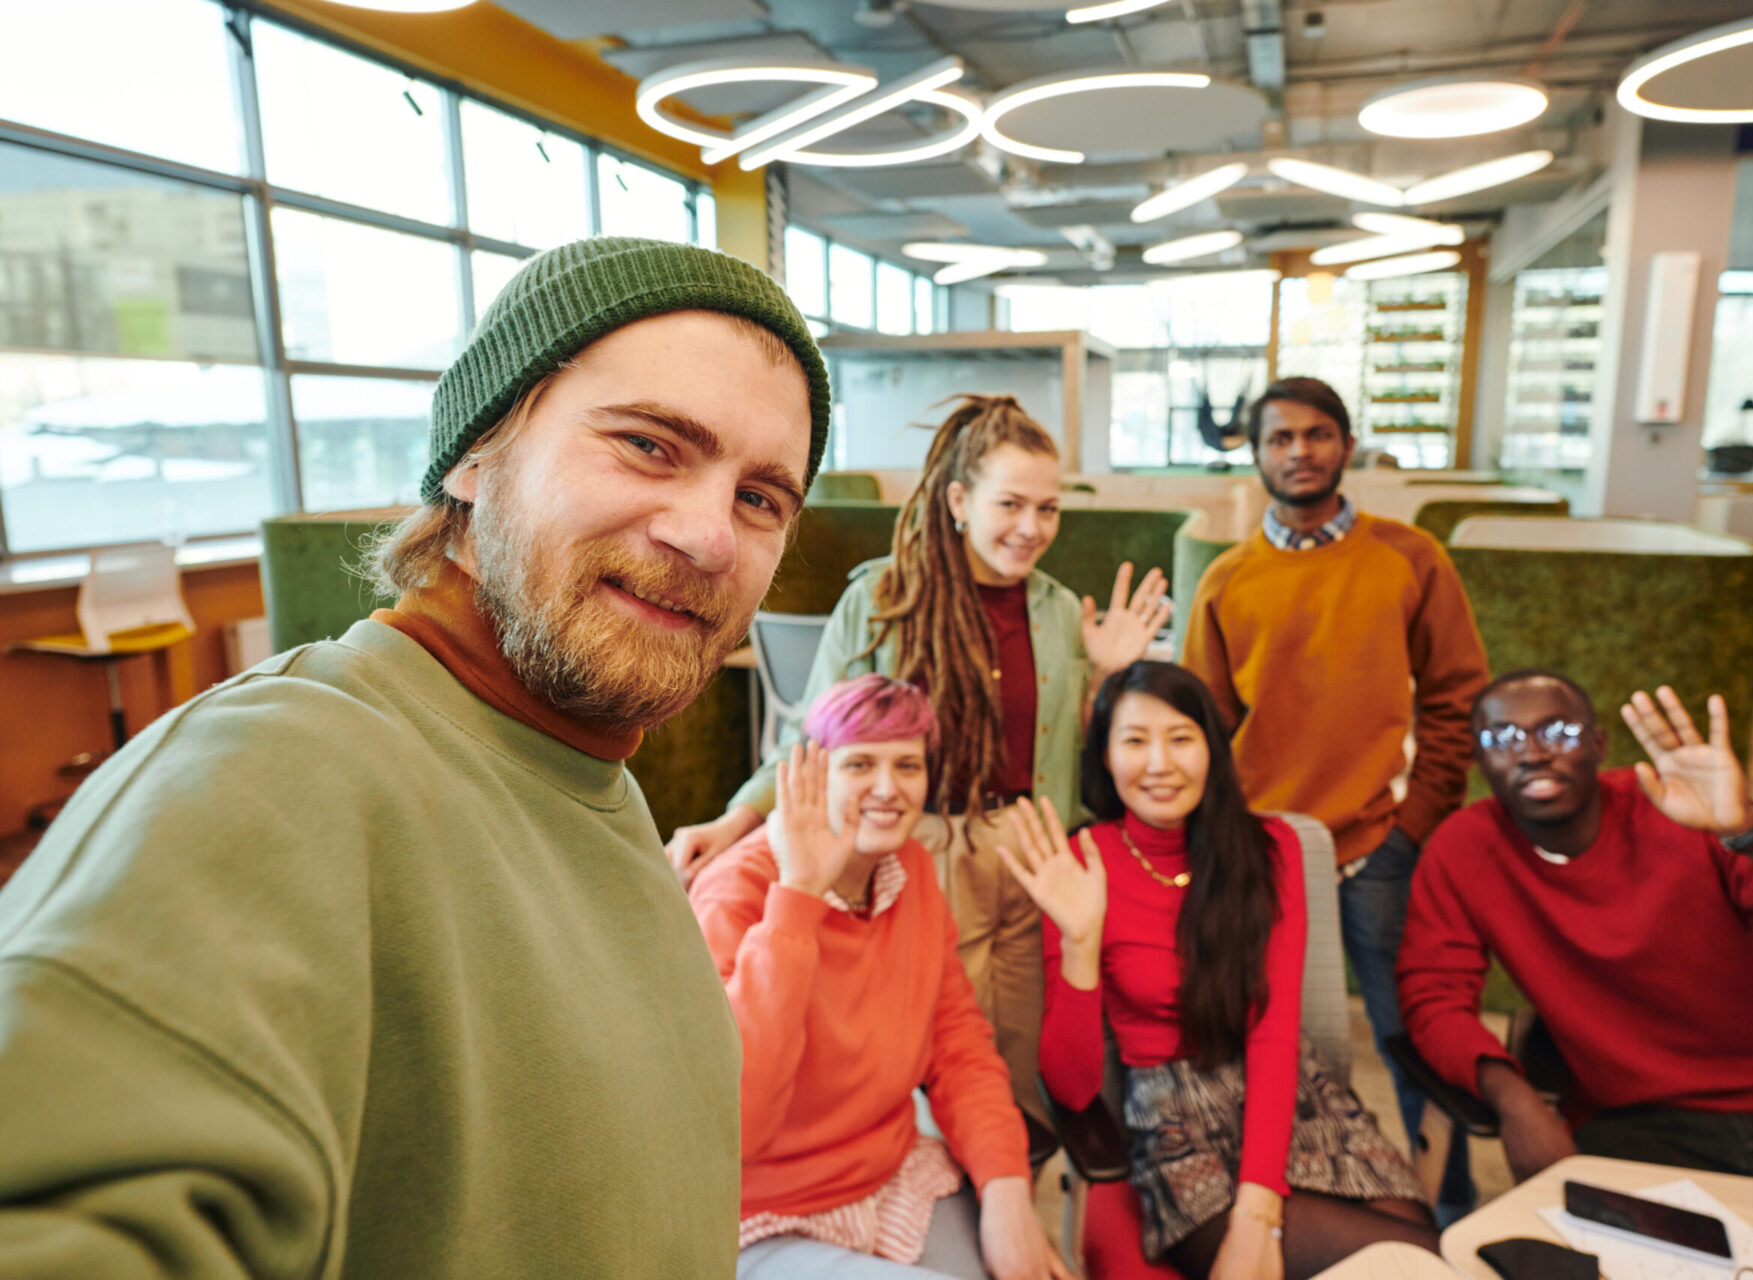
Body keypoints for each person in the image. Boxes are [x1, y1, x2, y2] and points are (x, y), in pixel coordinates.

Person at [0, 237, 833, 1276]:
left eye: (762, 497)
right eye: (649, 445)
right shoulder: (275, 774)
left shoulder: (577, 777)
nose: (710, 534)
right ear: (474, 461)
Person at [670, 395, 1172, 1133]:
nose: (1031, 528)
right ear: (960, 499)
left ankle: (1014, 1210)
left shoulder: (1061, 611)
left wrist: (1105, 679)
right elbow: (813, 739)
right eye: (1010, 504)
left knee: (1027, 1073)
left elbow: (1076, 755)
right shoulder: (884, 597)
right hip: (925, 849)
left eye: (1048, 508)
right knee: (934, 1064)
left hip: (1034, 848)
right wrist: (739, 815)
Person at [1398, 671, 1753, 1197]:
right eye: (1502, 739)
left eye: (1558, 732)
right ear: (1479, 759)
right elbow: (1433, 997)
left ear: (1598, 745)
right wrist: (1514, 1098)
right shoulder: (1464, 848)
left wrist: (1749, 830)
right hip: (1634, 1119)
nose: (1532, 753)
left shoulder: (1677, 810)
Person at [1006, 661, 1438, 1280]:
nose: (1159, 763)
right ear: (1104, 755)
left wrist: (1257, 1210)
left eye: (1181, 738)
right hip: (1176, 1120)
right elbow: (1072, 1089)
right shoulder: (1081, 862)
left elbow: (1274, 1029)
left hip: (1292, 1097)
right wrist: (1079, 942)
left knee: (1418, 1257)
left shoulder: (1269, 850)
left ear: (1211, 747)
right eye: (1135, 741)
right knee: (1410, 1264)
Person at [1180, 376, 1485, 1218]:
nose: (1299, 452)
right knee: (1262, 1040)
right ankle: (1290, 1203)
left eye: (1317, 435)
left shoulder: (1410, 556)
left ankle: (1451, 1209)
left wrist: (1416, 821)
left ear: (1345, 446)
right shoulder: (1229, 580)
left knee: (1407, 1035)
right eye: (1280, 439)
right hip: (1267, 846)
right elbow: (1201, 728)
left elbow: (1459, 695)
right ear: (1257, 456)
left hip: (1379, 842)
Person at [691, 675, 1069, 1279]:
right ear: (813, 773)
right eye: (861, 763)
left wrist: (1006, 1187)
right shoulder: (736, 892)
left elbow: (958, 1045)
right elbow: (736, 1125)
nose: (888, 789)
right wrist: (799, 895)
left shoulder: (909, 869)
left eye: (908, 766)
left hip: (887, 1176)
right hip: (761, 1212)